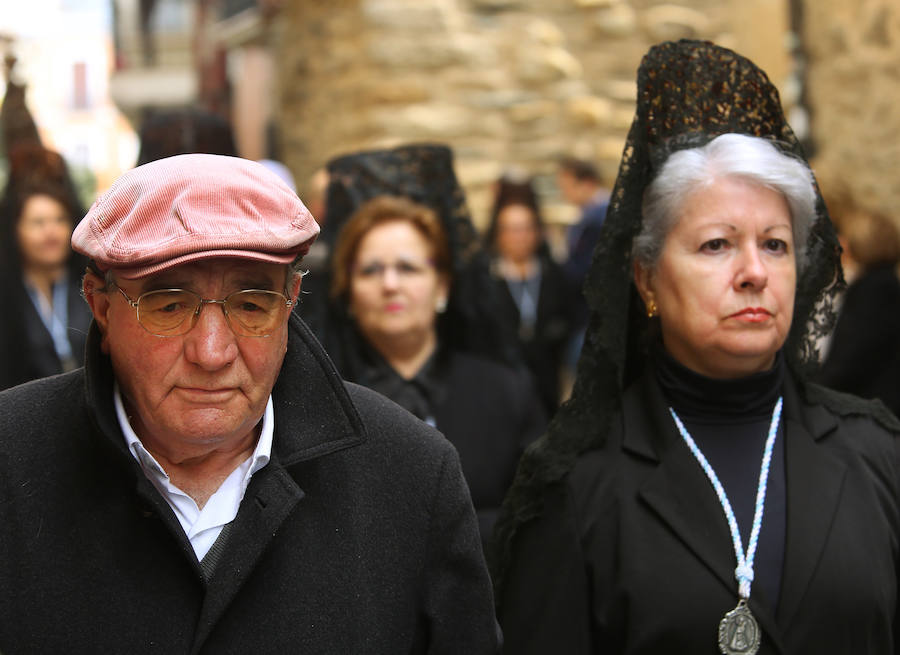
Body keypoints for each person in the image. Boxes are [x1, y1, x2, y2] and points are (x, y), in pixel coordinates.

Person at [491, 40, 900, 654]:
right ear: (647, 279)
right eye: (717, 245)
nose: (754, 271)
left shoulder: (876, 453)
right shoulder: (578, 484)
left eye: (775, 245)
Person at [0, 154, 499, 654]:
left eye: (250, 305)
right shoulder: (11, 458)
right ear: (101, 307)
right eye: (169, 305)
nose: (212, 353)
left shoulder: (412, 475)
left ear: (292, 299)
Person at [328, 194, 545, 547]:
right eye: (370, 270)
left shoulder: (507, 392)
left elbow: (538, 519)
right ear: (348, 292)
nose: (390, 284)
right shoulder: (322, 401)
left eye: (408, 268)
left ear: (442, 286)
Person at [0, 143, 92, 389]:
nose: (51, 232)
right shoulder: (8, 295)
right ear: (16, 231)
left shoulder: (89, 283)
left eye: (59, 220)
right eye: (38, 223)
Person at [484, 176, 574, 414]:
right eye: (512, 230)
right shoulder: (485, 278)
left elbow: (568, 316)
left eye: (526, 229)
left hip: (546, 380)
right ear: (499, 234)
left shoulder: (552, 273)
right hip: (499, 382)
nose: (520, 237)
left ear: (537, 232)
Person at [817, 206, 900, 417]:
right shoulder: (882, 284)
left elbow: (852, 355)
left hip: (868, 405)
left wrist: (814, 392)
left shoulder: (875, 290)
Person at [557, 156, 610, 374]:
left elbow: (589, 270)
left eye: (568, 187)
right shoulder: (588, 216)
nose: (565, 194)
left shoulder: (599, 217)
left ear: (586, 183)